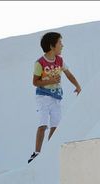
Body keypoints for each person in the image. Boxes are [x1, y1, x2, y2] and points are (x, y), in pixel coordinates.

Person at [28, 32, 81, 163]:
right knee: (43, 124)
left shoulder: (60, 60)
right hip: (43, 97)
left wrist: (77, 85)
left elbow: (69, 74)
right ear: (52, 46)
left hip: (57, 97)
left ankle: (48, 152)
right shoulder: (39, 63)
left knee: (56, 126)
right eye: (60, 43)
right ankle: (37, 152)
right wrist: (50, 80)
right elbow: (35, 82)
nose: (62, 45)